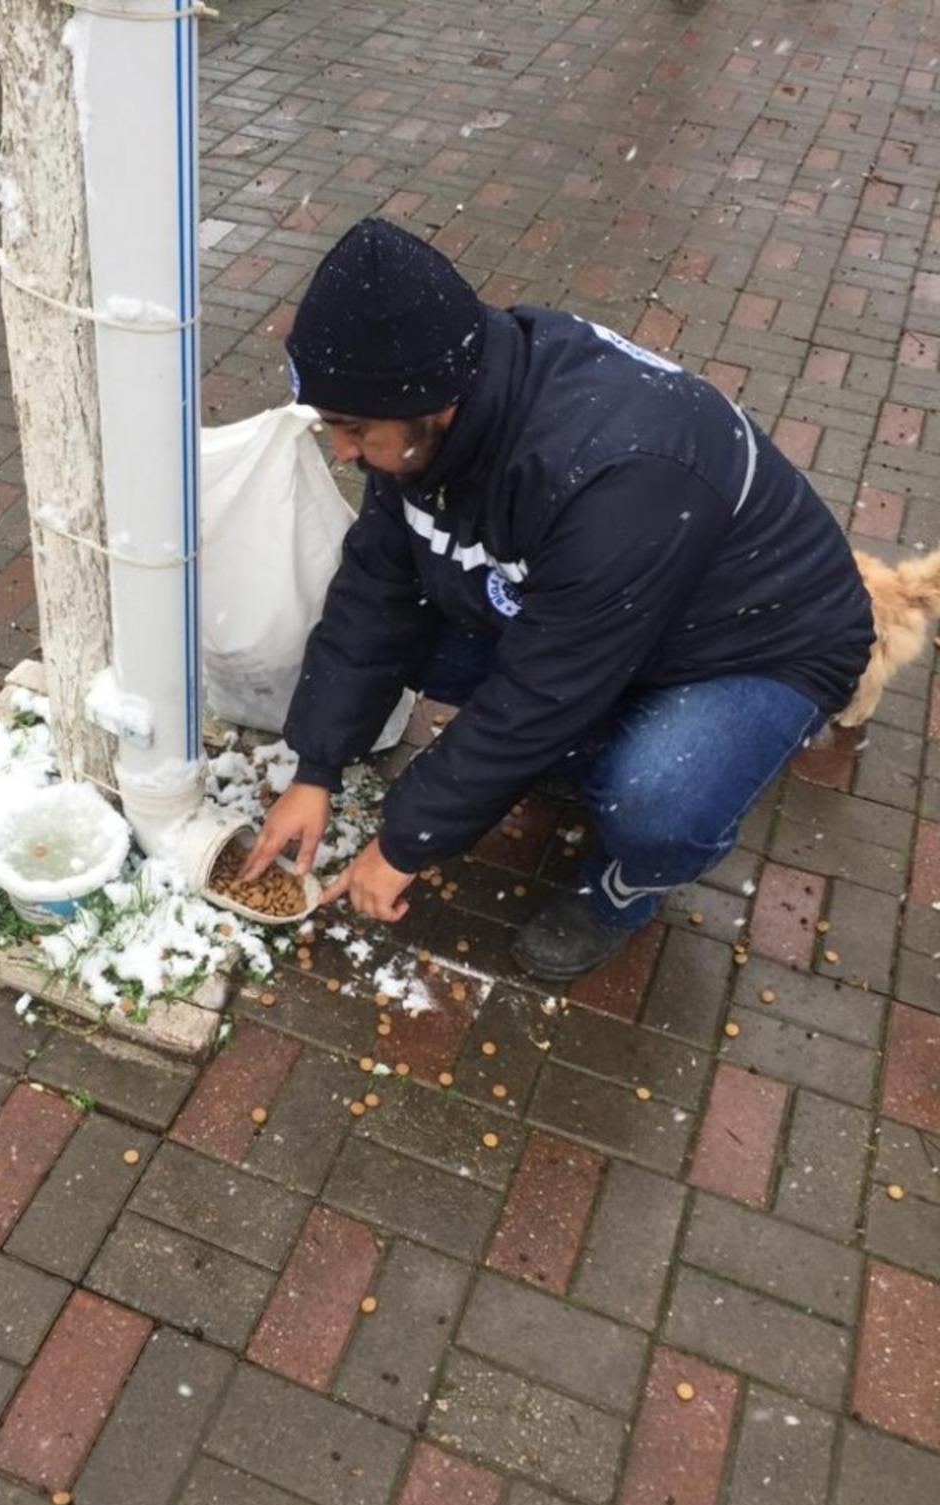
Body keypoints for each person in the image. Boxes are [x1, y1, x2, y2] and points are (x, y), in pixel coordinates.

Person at [240, 219, 873, 979]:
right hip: (613, 615)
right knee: (429, 640)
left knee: (657, 799)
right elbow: (377, 590)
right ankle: (596, 749)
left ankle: (624, 890)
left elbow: (544, 687)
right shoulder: (427, 409)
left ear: (432, 405)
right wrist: (318, 766)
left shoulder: (617, 474)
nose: (341, 452)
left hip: (756, 645)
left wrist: (403, 844)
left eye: (351, 429)